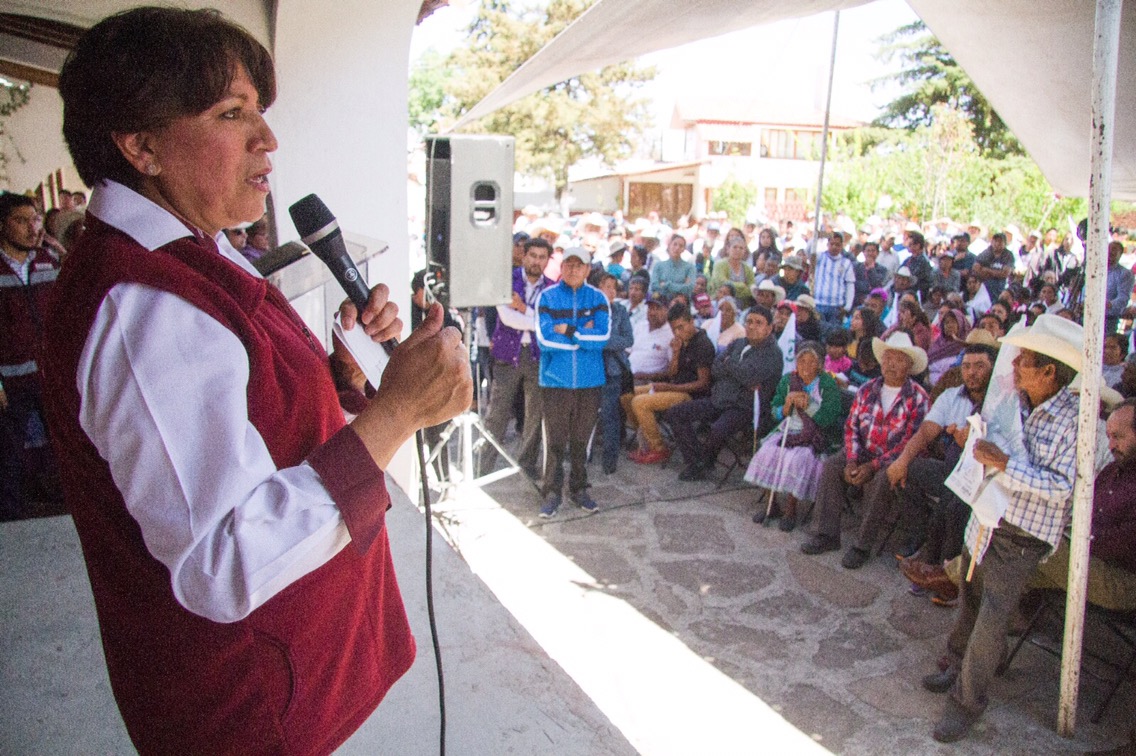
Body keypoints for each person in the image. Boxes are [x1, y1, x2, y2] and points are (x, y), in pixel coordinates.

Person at [43, 9, 472, 754]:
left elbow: (256, 413)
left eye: (260, 113)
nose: (267, 140)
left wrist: (351, 365)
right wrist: (397, 414)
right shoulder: (144, 305)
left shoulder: (195, 253)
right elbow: (220, 561)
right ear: (141, 145)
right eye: (231, 114)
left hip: (293, 673)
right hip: (249, 710)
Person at [922, 315, 1085, 743]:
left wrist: (1005, 465)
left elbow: (1061, 486)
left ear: (1050, 371)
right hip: (988, 515)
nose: (1012, 367)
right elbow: (992, 443)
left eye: (1024, 360)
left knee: (995, 616)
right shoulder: (1014, 399)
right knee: (971, 596)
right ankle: (955, 664)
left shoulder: (1074, 421)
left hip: (1023, 531)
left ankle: (967, 702)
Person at [801, 332, 930, 564]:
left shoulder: (918, 398)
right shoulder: (867, 389)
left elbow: (909, 442)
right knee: (832, 465)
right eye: (887, 357)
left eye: (899, 359)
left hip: (892, 459)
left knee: (881, 479)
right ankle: (826, 533)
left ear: (909, 366)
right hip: (862, 451)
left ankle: (862, 545)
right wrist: (852, 459)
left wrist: (872, 466)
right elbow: (851, 428)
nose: (890, 364)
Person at [891, 343, 998, 597]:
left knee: (954, 503)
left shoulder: (1001, 403)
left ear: (992, 369)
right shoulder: (952, 395)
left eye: (979, 366)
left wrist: (971, 444)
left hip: (985, 480)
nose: (971, 372)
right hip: (953, 471)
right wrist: (903, 460)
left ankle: (944, 572)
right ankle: (921, 537)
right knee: (911, 470)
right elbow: (927, 430)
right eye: (967, 366)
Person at [1027, 398, 1136, 611]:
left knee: (1027, 542)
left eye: (1118, 437)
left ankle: (951, 576)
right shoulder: (1110, 472)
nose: (1112, 445)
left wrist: (1076, 538)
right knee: (1011, 564)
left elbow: (1125, 543)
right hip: (1090, 560)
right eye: (1109, 437)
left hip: (1124, 581)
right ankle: (957, 580)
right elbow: (1084, 513)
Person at [665, 306, 783, 482]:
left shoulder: (773, 353)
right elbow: (715, 369)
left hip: (745, 407)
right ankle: (698, 460)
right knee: (676, 413)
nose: (752, 326)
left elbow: (749, 376)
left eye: (758, 323)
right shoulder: (738, 343)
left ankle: (704, 462)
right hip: (720, 399)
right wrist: (736, 371)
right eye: (749, 321)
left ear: (769, 328)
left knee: (718, 429)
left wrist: (730, 365)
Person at [0, 192, 63, 518]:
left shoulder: (47, 262)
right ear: (2, 225)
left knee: (63, 446)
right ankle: (10, 520)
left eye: (36, 219)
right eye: (21, 221)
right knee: (8, 452)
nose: (32, 228)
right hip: (10, 380)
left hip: (49, 376)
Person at [534, 247, 611, 517]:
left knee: (581, 440)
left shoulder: (599, 298)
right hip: (555, 382)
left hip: (590, 383)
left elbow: (602, 338)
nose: (573, 270)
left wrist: (570, 330)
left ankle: (579, 489)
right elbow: (544, 341)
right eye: (569, 264)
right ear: (561, 267)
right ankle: (552, 492)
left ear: (588, 269)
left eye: (579, 265)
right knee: (554, 441)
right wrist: (583, 338)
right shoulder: (547, 297)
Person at [745, 341, 842, 531]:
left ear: (820, 364)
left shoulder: (827, 384)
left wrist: (809, 406)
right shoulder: (788, 380)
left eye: (811, 362)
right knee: (766, 453)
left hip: (814, 434)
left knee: (798, 459)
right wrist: (787, 405)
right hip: (788, 429)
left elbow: (829, 418)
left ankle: (791, 510)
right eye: (801, 361)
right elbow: (775, 411)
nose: (805, 366)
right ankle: (772, 506)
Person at [480, 237, 553, 478]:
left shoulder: (552, 288)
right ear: (524, 255)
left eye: (542, 257)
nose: (536, 261)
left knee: (535, 413)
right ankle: (484, 465)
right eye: (533, 255)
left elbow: (549, 325)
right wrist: (535, 319)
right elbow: (507, 318)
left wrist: (523, 308)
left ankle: (526, 465)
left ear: (547, 260)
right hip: (507, 354)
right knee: (497, 413)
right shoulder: (506, 281)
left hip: (537, 356)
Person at [623, 304, 714, 465]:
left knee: (639, 402)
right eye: (674, 329)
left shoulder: (702, 344)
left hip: (689, 395)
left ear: (691, 322)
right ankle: (645, 434)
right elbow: (673, 373)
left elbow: (703, 384)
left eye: (681, 327)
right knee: (626, 394)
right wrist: (676, 352)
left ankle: (658, 448)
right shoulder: (681, 341)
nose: (678, 332)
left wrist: (669, 387)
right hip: (674, 387)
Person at [597, 272, 634, 474]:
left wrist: (602, 341)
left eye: (613, 287)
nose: (611, 291)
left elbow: (628, 339)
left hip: (612, 369)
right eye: (606, 286)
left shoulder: (620, 311)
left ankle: (610, 459)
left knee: (610, 414)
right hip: (591, 366)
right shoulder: (590, 309)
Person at [811, 231, 856, 333]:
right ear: (827, 244)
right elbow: (809, 251)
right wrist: (816, 238)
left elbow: (850, 285)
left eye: (838, 244)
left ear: (842, 246)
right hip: (818, 304)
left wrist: (848, 306)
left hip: (836, 307)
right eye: (832, 244)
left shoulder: (846, 263)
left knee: (834, 334)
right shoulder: (819, 258)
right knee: (818, 333)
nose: (834, 247)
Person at [925, 308, 971, 386]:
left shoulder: (967, 346)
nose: (949, 325)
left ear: (961, 324)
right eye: (946, 323)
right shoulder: (936, 345)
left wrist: (958, 341)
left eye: (953, 322)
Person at [709, 234, 756, 309]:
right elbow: (721, 283)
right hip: (720, 306)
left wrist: (732, 291)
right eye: (735, 247)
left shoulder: (748, 268)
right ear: (728, 249)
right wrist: (742, 285)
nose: (738, 250)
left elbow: (752, 289)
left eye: (741, 248)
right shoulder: (720, 265)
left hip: (742, 308)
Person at [651, 232, 696, 301]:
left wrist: (667, 285)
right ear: (669, 246)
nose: (677, 248)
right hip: (661, 302)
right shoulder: (659, 266)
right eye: (675, 244)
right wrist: (681, 286)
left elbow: (689, 288)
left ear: (684, 249)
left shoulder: (689, 267)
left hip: (681, 304)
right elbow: (654, 286)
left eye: (681, 246)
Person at [972, 232, 1014, 300]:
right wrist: (993, 273)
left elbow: (1005, 273)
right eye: (995, 241)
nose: (997, 243)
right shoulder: (987, 252)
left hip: (999, 287)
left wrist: (987, 270)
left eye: (1000, 241)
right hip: (984, 286)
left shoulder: (1008, 255)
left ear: (1005, 243)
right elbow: (975, 267)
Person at [1106, 240, 1134, 335]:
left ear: (1120, 254)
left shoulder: (1125, 274)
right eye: (1109, 249)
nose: (1110, 252)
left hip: (1108, 320)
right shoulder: (1096, 271)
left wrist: (1107, 304)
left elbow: (1123, 298)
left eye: (1114, 250)